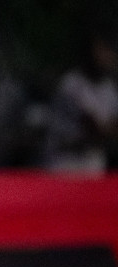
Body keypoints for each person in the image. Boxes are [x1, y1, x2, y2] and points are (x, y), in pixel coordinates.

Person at [43, 33, 118, 173]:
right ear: (89, 54)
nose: (106, 56)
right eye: (101, 51)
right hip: (65, 162)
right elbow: (94, 127)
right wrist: (109, 128)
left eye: (109, 51)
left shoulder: (108, 87)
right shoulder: (72, 84)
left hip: (93, 161)